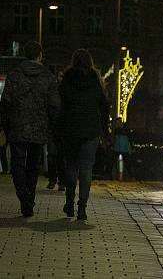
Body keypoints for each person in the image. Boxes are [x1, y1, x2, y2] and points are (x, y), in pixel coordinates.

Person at [1, 41, 60, 217]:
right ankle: (29, 199)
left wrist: (6, 124)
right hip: (39, 128)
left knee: (18, 164)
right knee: (33, 166)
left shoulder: (14, 75)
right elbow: (54, 105)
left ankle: (23, 195)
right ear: (40, 55)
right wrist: (52, 125)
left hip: (18, 127)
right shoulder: (49, 77)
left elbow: (5, 102)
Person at [58, 49, 109, 221]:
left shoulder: (67, 79)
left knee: (71, 166)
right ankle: (82, 207)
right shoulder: (96, 81)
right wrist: (104, 128)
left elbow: (61, 104)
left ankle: (69, 203)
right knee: (87, 168)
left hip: (70, 129)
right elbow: (104, 106)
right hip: (91, 130)